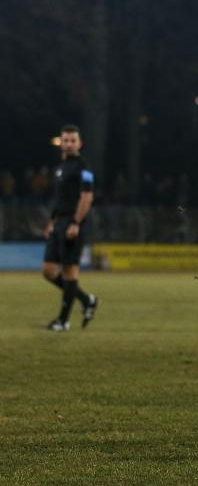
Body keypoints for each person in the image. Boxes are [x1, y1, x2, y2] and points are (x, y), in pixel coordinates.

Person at [42, 125, 99, 331]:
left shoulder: (84, 168)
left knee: (69, 271)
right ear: (61, 143)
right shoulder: (59, 168)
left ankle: (63, 321)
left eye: (72, 140)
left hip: (73, 223)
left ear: (80, 143)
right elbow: (60, 199)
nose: (68, 144)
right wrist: (51, 220)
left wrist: (76, 222)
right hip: (59, 222)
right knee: (48, 270)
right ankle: (87, 300)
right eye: (65, 140)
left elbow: (87, 197)